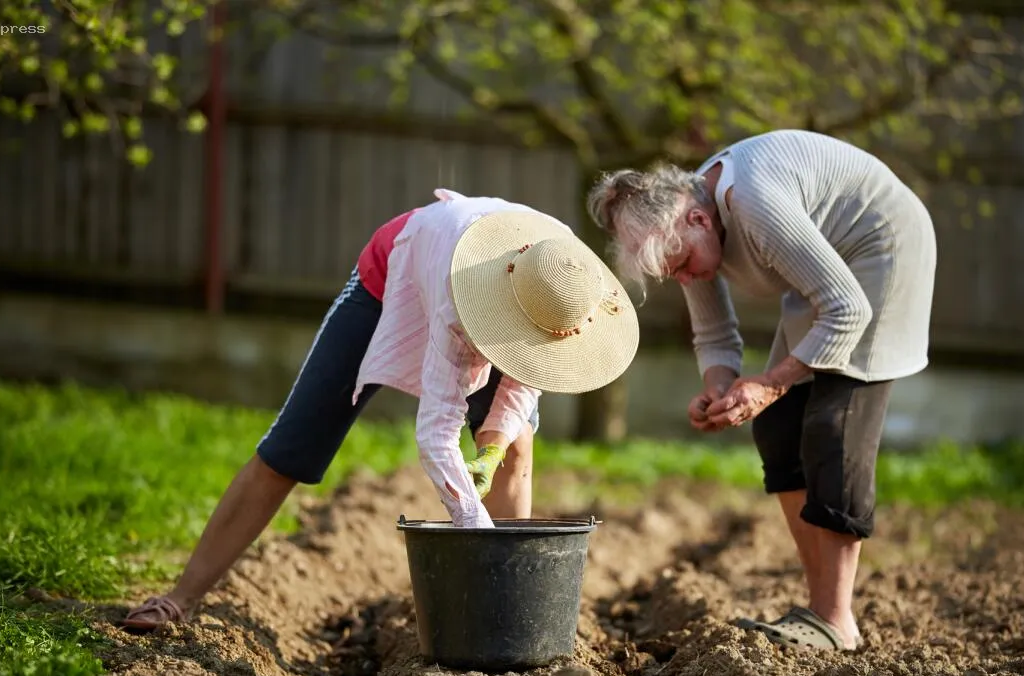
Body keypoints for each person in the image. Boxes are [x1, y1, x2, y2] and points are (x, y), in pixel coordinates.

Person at [122, 189, 640, 632]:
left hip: (507, 286)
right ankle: (179, 598)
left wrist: (494, 446)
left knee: (516, 443)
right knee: (293, 446)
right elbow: (437, 432)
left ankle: (502, 619)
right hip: (394, 272)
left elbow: (527, 381)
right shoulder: (462, 306)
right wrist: (473, 528)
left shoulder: (567, 290)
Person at [586, 129, 937, 652]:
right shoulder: (687, 223)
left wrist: (771, 382)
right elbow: (713, 332)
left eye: (681, 265)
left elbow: (848, 308)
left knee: (832, 428)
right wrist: (720, 389)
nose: (683, 279)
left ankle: (835, 619)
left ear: (699, 220)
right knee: (777, 428)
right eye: (670, 274)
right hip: (824, 274)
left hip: (881, 251)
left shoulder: (754, 206)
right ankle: (820, 607)